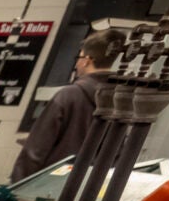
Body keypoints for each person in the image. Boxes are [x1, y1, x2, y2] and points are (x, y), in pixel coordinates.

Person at [13, 28, 122, 182]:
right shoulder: (121, 100)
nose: (77, 63)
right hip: (89, 188)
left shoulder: (69, 95)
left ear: (86, 60)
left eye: (79, 57)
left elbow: (36, 150)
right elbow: (118, 152)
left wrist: (17, 186)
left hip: (47, 186)